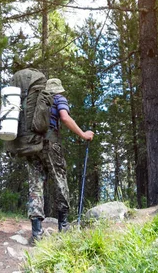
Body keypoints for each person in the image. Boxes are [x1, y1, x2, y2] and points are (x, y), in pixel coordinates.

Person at [27, 78, 94, 243]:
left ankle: (36, 233)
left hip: (32, 145)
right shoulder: (58, 99)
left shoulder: (34, 102)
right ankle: (63, 226)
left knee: (35, 184)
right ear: (58, 89)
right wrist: (83, 134)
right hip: (50, 144)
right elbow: (64, 117)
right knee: (59, 179)